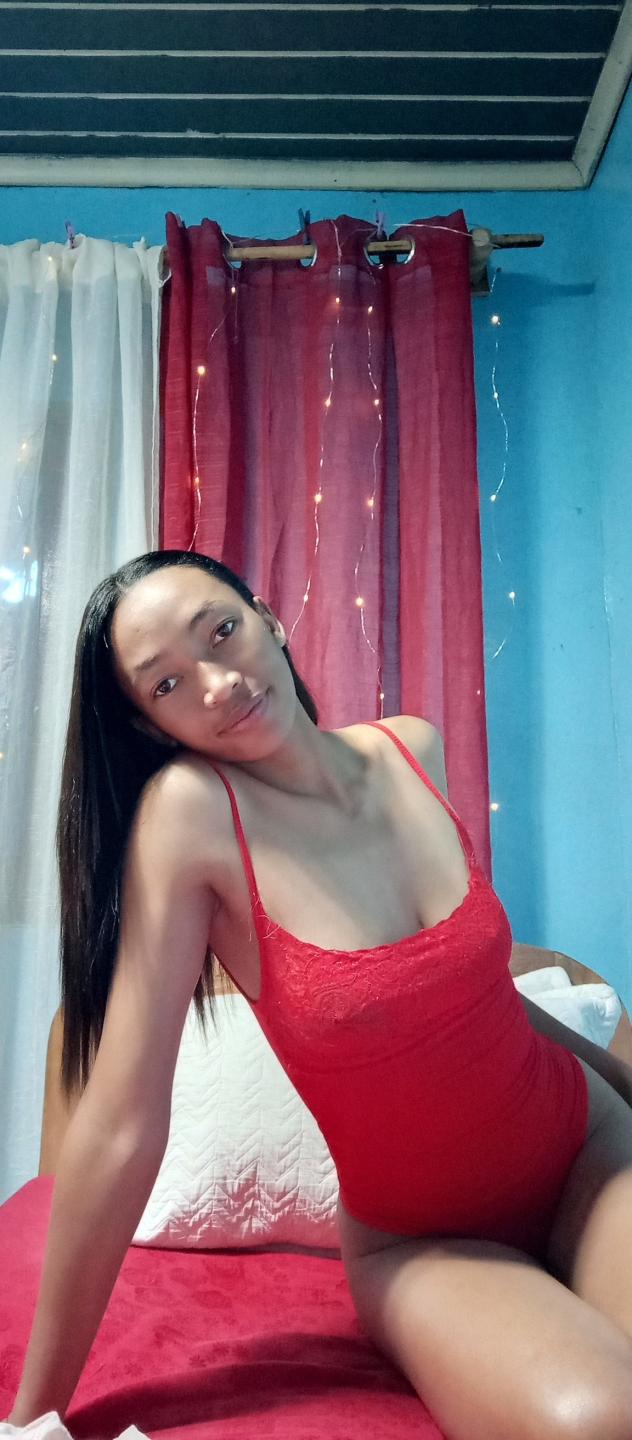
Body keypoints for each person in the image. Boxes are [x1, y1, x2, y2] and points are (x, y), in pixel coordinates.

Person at [7, 549, 632, 1440]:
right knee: (603, 1420)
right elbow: (120, 1126)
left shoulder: (411, 748)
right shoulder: (193, 817)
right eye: (169, 683)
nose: (218, 682)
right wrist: (33, 1417)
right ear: (151, 723)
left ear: (267, 617)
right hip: (426, 1242)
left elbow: (478, 999)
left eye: (221, 631)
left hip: (588, 1154)